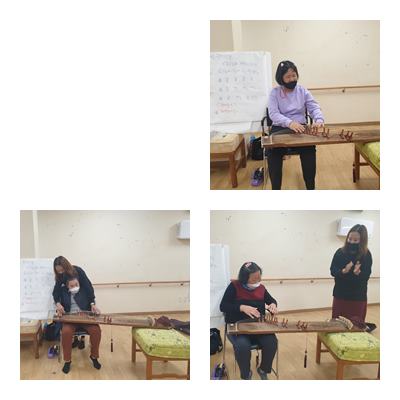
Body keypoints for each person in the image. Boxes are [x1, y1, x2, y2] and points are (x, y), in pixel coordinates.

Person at [267, 60, 325, 190]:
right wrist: (290, 123)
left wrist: (319, 119)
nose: (292, 79)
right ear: (281, 78)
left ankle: (310, 188)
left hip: (301, 127)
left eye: (294, 75)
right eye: (288, 77)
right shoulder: (275, 93)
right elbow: (273, 114)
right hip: (280, 128)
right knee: (273, 153)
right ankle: (275, 189)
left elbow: (314, 107)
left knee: (309, 150)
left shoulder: (302, 91)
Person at [220, 262, 278, 380]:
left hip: (258, 326)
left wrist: (273, 304)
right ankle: (246, 374)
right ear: (244, 278)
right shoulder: (234, 286)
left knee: (271, 342)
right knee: (243, 346)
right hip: (237, 327)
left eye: (259, 277)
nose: (258, 280)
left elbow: (271, 300)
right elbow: (223, 306)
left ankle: (263, 369)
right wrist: (241, 307)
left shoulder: (261, 288)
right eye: (254, 278)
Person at [52, 256, 102, 374]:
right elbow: (55, 293)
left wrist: (92, 304)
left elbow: (89, 288)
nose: (61, 273)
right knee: (66, 332)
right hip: (70, 316)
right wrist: (58, 303)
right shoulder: (61, 283)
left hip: (84, 314)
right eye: (58, 271)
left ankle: (94, 357)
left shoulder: (79, 272)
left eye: (62, 270)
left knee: (96, 331)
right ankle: (67, 361)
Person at [330, 225, 372, 325]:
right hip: (340, 294)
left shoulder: (366, 255)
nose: (351, 242)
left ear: (362, 241)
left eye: (355, 240)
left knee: (355, 325)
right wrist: (343, 271)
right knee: (337, 324)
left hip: (357, 297)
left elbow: (366, 275)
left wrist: (358, 273)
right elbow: (332, 270)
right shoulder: (340, 252)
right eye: (349, 239)